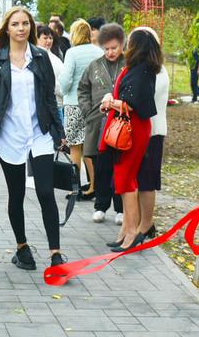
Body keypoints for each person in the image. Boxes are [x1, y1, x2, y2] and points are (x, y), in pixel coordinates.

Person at [0, 8, 68, 272]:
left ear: (30, 27)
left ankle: (56, 253)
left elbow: (49, 99)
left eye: (25, 24)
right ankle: (22, 248)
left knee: (45, 192)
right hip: (9, 134)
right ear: (7, 29)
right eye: (15, 24)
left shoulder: (42, 57)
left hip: (39, 132)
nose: (21, 28)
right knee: (16, 194)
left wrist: (59, 131)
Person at [98, 28, 161, 252]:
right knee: (125, 180)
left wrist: (109, 101)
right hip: (131, 128)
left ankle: (132, 232)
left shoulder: (142, 71)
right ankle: (126, 231)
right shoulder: (140, 69)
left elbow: (133, 104)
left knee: (126, 181)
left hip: (132, 129)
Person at [80, 23, 126, 224]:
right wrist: (87, 110)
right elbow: (82, 89)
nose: (110, 52)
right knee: (101, 167)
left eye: (114, 48)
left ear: (122, 45)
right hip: (98, 123)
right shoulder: (94, 66)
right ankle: (100, 206)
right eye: (106, 48)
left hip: (122, 125)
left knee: (119, 167)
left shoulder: (129, 65)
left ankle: (121, 209)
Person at [59, 19, 102, 199]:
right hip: (94, 106)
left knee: (75, 148)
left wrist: (62, 89)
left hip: (74, 104)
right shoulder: (99, 52)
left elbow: (66, 80)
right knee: (91, 149)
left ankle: (74, 186)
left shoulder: (72, 53)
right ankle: (94, 186)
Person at [136, 26, 169, 238]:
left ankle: (145, 224)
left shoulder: (155, 72)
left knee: (147, 182)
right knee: (141, 181)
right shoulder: (153, 69)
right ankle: (144, 222)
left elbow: (141, 100)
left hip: (152, 133)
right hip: (146, 132)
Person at [35, 25, 66, 111]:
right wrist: (65, 93)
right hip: (51, 103)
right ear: (37, 39)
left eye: (50, 38)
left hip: (58, 103)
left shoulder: (52, 55)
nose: (48, 41)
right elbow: (51, 81)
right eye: (45, 38)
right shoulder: (39, 56)